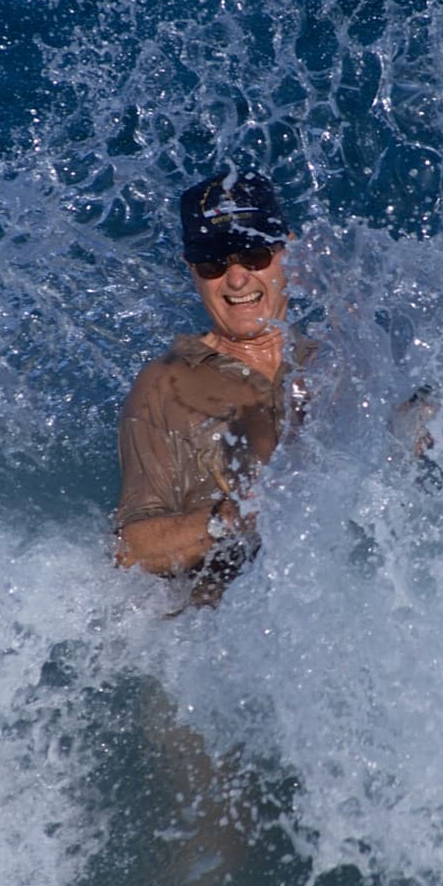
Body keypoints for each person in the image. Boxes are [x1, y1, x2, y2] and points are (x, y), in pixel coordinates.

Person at [114, 167, 314, 607]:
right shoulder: (165, 384)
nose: (237, 278)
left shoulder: (341, 364)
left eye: (254, 255)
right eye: (214, 263)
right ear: (192, 270)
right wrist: (233, 517)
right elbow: (130, 549)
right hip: (228, 631)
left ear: (289, 252)